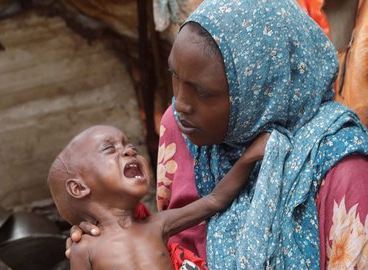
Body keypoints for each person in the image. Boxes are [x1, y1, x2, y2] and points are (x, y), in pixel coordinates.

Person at [68, 1, 368, 269]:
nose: (181, 103)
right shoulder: (181, 128)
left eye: (203, 92)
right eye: (175, 77)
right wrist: (107, 227)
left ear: (261, 93)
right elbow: (169, 238)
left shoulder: (341, 172)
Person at [49, 125, 268, 270]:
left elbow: (215, 200)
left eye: (130, 146)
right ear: (79, 188)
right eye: (109, 149)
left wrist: (248, 158)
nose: (129, 151)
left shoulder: (157, 225)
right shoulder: (83, 248)